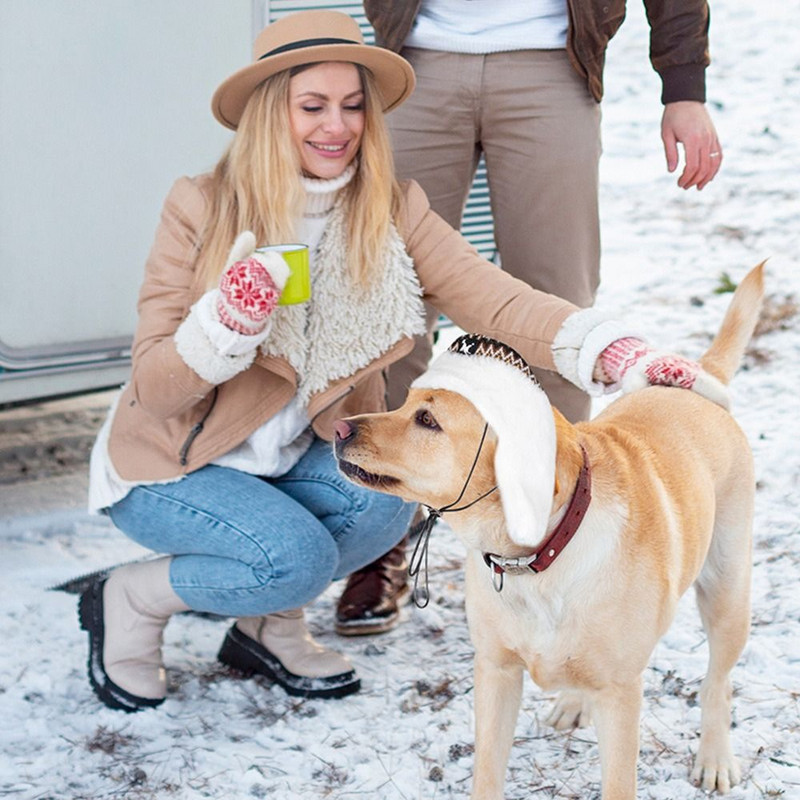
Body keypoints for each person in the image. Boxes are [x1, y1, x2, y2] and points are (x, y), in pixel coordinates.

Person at [79, 9, 724, 712]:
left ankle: (267, 625)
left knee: (383, 503)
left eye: (354, 106)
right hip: (179, 464)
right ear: (270, 114)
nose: (338, 126)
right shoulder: (202, 204)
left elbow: (499, 302)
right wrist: (223, 328)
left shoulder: (389, 207)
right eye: (313, 107)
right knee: (291, 559)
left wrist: (613, 351)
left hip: (289, 458)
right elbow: (154, 387)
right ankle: (131, 597)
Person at [335, 0, 723, 636]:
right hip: (418, 64)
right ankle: (379, 546)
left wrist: (683, 87)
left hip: (550, 65)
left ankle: (560, 539)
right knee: (391, 309)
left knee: (557, 309)